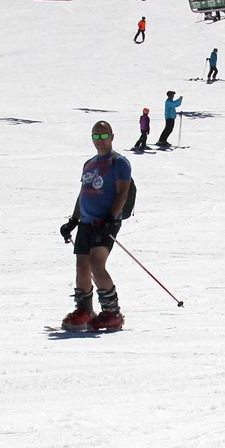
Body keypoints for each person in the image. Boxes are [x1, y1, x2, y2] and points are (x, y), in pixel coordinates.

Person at [59, 119, 131, 331]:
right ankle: (84, 310)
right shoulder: (89, 164)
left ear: (111, 136)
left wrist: (110, 218)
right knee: (82, 265)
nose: (99, 140)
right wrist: (73, 220)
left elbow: (122, 193)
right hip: (86, 222)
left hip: (105, 222)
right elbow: (83, 193)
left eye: (103, 136)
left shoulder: (119, 162)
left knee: (96, 264)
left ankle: (112, 312)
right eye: (95, 136)